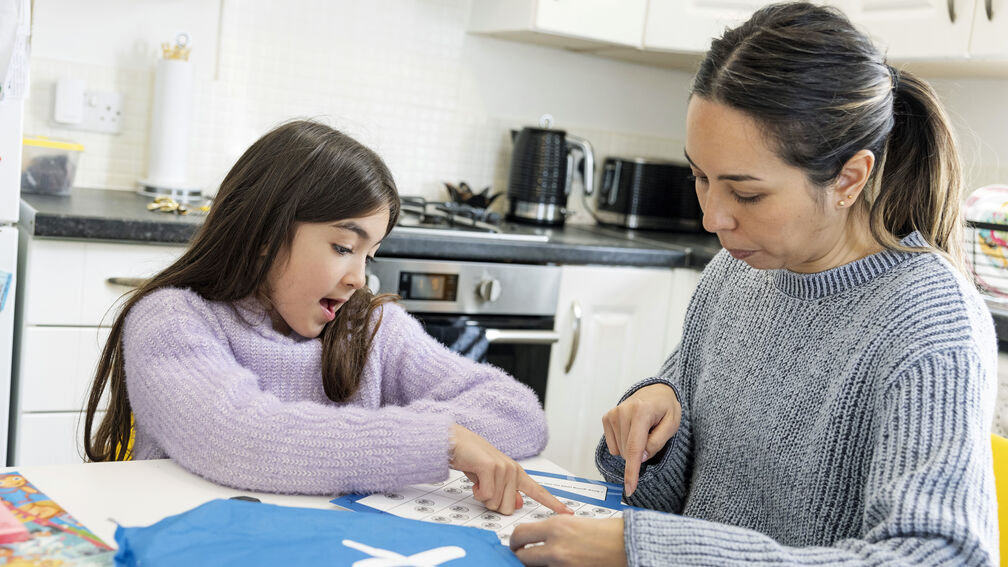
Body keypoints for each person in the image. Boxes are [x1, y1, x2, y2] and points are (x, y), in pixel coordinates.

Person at [510, 2, 998, 565]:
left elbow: (943, 556)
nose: (712, 218)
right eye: (700, 177)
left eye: (746, 194)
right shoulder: (736, 272)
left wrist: (657, 554)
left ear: (849, 178)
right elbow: (668, 503)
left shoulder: (931, 323)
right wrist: (659, 409)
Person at [82, 120, 570, 516]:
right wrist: (438, 439)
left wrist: (429, 436)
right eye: (343, 247)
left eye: (370, 255)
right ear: (265, 232)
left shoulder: (371, 330)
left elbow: (518, 413)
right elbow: (239, 437)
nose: (359, 277)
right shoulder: (173, 319)